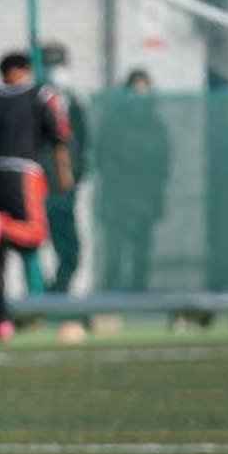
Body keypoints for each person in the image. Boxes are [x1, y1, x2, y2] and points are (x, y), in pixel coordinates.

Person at [0, 52, 74, 341]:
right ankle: (2, 226)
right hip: (22, 174)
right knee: (35, 234)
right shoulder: (40, 95)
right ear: (24, 70)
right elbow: (59, 132)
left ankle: (1, 322)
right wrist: (63, 171)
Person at [96, 69, 170, 291]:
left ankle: (139, 292)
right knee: (115, 251)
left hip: (145, 198)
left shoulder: (155, 126)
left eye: (144, 92)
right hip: (117, 198)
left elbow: (163, 164)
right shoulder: (113, 124)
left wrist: (154, 194)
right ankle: (111, 294)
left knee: (142, 251)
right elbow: (103, 159)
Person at [40, 43, 90, 293]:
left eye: (59, 64)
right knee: (35, 249)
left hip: (66, 188)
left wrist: (77, 175)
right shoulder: (34, 105)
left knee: (71, 252)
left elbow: (83, 143)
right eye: (50, 65)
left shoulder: (74, 104)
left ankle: (55, 295)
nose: (56, 71)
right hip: (41, 188)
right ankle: (41, 298)